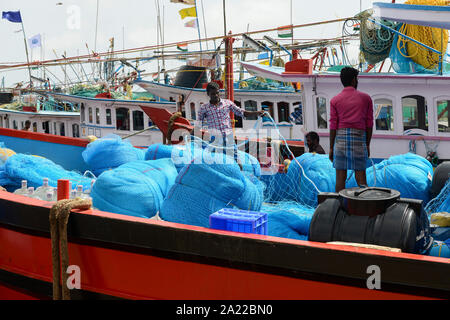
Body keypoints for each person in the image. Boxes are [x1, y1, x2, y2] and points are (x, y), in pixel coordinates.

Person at [198, 81, 264, 167]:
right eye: (213, 94)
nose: (216, 95)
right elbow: (198, 124)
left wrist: (257, 113)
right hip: (215, 139)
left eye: (217, 93)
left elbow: (241, 112)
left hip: (228, 137)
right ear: (208, 94)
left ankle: (240, 175)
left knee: (237, 161)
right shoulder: (204, 108)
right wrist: (190, 136)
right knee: (213, 161)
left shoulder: (227, 103)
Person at [329, 67, 373, 192]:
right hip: (359, 140)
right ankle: (365, 207)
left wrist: (331, 147)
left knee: (340, 180)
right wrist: (367, 144)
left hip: (340, 141)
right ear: (354, 80)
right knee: (361, 180)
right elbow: (369, 124)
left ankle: (338, 207)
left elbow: (333, 126)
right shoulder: (366, 98)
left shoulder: (335, 100)